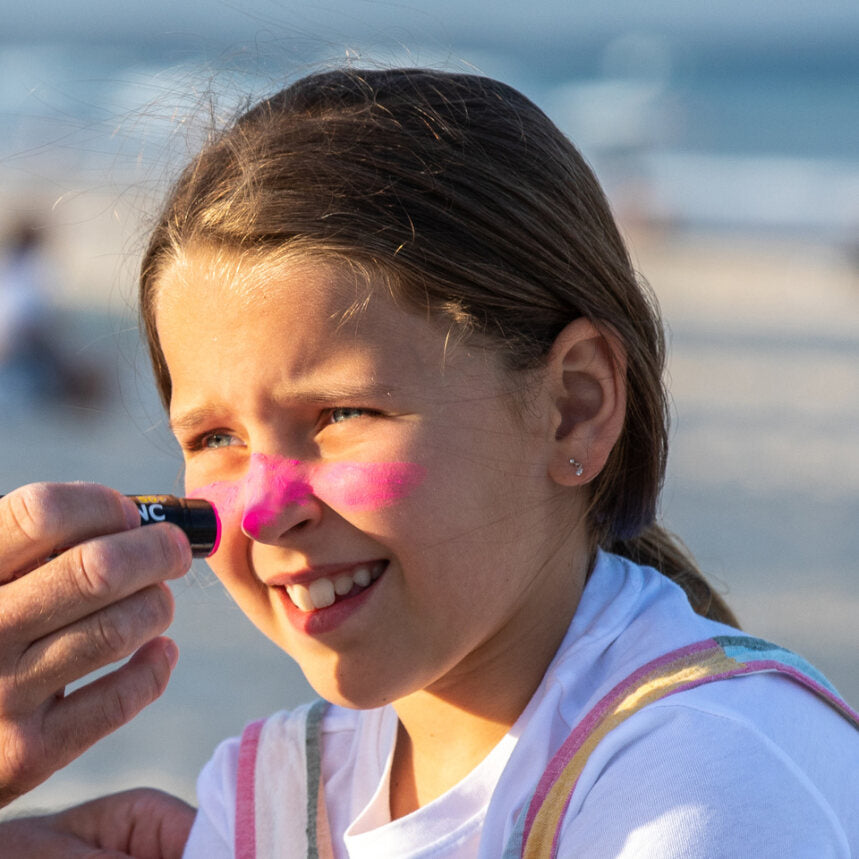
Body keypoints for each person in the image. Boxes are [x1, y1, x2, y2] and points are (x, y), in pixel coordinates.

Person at [0, 67, 857, 856]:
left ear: (574, 406)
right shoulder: (275, 790)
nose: (264, 509)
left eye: (341, 413)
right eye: (215, 438)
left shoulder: (707, 774)